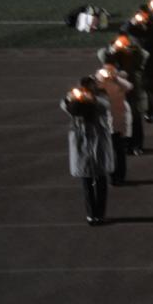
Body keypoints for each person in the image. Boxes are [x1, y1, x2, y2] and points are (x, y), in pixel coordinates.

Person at [60, 78, 114, 226]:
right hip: (82, 146)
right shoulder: (76, 104)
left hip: (99, 144)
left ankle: (100, 214)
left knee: (101, 181)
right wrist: (72, 97)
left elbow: (104, 105)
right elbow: (65, 105)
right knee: (86, 181)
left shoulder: (101, 99)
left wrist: (90, 98)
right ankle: (91, 215)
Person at [99, 32, 148, 155]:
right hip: (115, 91)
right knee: (116, 118)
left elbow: (144, 57)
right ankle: (121, 145)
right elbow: (102, 56)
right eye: (119, 41)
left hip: (132, 90)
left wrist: (131, 51)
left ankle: (136, 145)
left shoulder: (135, 52)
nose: (122, 44)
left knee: (135, 117)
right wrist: (112, 50)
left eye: (124, 41)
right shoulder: (109, 53)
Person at [94, 64, 133, 186]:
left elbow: (129, 86)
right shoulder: (100, 83)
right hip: (106, 124)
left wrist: (115, 78)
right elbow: (95, 88)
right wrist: (101, 78)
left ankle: (120, 176)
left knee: (119, 152)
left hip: (118, 122)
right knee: (109, 152)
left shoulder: (119, 82)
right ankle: (112, 176)